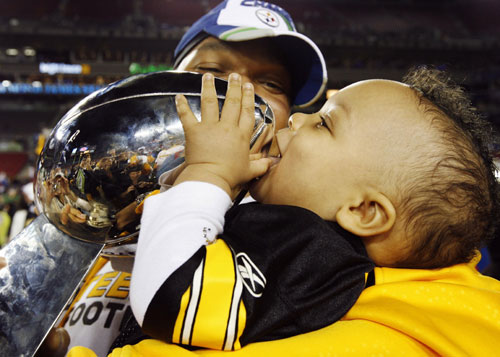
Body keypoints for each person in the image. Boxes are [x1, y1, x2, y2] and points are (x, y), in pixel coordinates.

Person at [70, 66, 500, 356]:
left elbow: (171, 298)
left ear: (365, 211)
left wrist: (208, 174)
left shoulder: (307, 250)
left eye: (325, 123)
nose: (295, 119)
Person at [60, 0, 327, 356]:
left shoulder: (302, 246)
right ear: (165, 87)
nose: (239, 90)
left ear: (289, 115)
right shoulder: (96, 211)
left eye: (270, 82)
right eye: (212, 69)